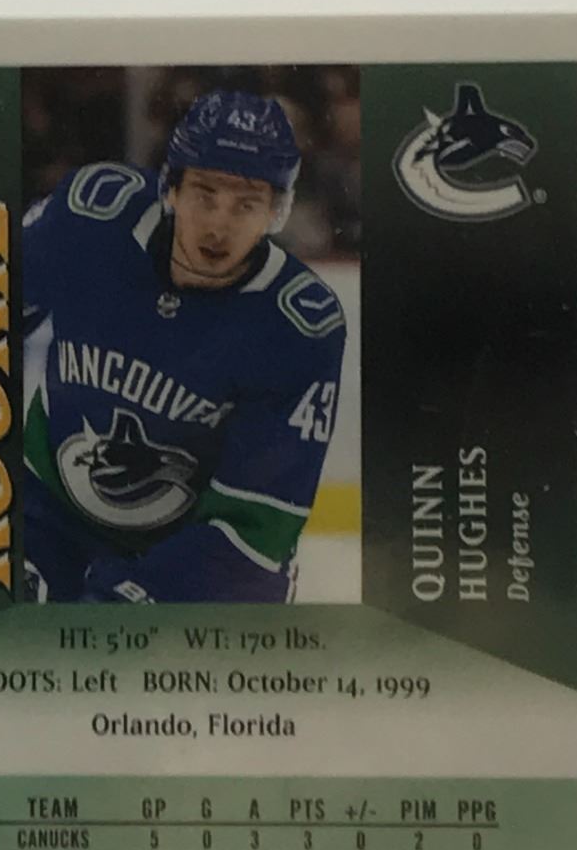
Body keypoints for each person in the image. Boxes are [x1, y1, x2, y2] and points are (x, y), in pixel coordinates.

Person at [22, 88, 346, 603]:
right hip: (48, 513)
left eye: (246, 204)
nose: (219, 224)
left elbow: (253, 529)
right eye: (204, 194)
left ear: (276, 212)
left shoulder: (297, 327)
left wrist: (130, 599)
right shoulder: (92, 220)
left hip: (198, 557)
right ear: (170, 187)